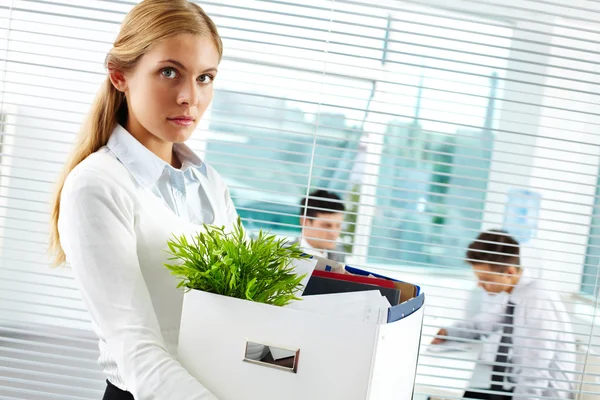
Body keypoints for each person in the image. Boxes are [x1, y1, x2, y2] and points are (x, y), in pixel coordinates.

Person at [48, 1, 235, 399]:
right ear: (120, 76)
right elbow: (137, 352)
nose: (190, 97)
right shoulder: (97, 186)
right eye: (170, 72)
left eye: (205, 77)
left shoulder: (210, 184)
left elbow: (237, 312)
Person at [432, 230, 576, 399]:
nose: (480, 284)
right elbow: (482, 325)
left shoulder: (538, 302)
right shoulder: (514, 293)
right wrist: (446, 332)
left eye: (485, 278)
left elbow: (535, 372)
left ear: (509, 272)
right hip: (516, 388)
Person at [296, 189, 346, 263]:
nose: (334, 234)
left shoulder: (339, 254)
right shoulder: (283, 254)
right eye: (327, 226)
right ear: (305, 221)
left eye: (338, 225)